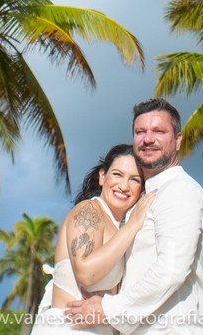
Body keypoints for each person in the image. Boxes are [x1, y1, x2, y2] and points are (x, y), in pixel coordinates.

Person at [66, 98, 203, 335]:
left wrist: (107, 309)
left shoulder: (178, 189)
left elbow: (172, 268)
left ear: (178, 140)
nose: (148, 138)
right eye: (140, 131)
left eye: (159, 131)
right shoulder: (145, 198)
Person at [31, 144, 156, 335]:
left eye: (134, 180)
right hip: (68, 328)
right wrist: (132, 225)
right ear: (102, 176)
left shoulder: (118, 230)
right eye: (117, 174)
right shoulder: (88, 210)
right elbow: (86, 273)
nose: (124, 186)